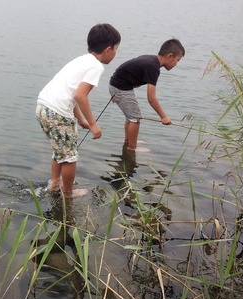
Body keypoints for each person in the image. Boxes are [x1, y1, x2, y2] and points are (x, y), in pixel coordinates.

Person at [36, 23, 120, 198]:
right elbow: (81, 96)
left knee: (60, 150)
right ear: (108, 49)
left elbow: (71, 94)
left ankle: (54, 183)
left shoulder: (81, 60)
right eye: (116, 49)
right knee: (70, 156)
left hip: (43, 107)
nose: (115, 53)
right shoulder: (97, 66)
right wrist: (93, 124)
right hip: (58, 113)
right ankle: (67, 193)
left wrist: (80, 119)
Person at [109, 39, 185, 151]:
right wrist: (163, 116)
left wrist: (121, 88)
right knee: (135, 117)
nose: (176, 64)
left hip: (117, 86)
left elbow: (129, 70)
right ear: (169, 56)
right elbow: (151, 98)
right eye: (177, 60)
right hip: (120, 88)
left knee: (131, 116)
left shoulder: (152, 61)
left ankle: (128, 141)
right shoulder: (153, 67)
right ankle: (131, 147)